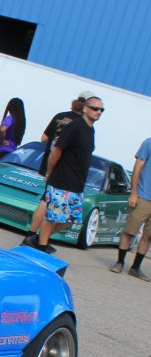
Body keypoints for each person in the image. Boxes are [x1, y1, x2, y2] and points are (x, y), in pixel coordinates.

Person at [23, 96, 104, 253]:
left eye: (102, 110)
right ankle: (41, 246)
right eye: (95, 108)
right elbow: (56, 150)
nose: (99, 112)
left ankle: (37, 239)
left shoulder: (90, 130)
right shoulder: (75, 126)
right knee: (52, 215)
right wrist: (50, 172)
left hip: (77, 182)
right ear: (85, 108)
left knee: (70, 219)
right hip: (62, 178)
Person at [109, 138, 151, 281]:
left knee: (148, 236)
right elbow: (138, 166)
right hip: (143, 196)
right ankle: (119, 262)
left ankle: (135, 268)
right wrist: (134, 193)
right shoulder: (149, 142)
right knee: (129, 231)